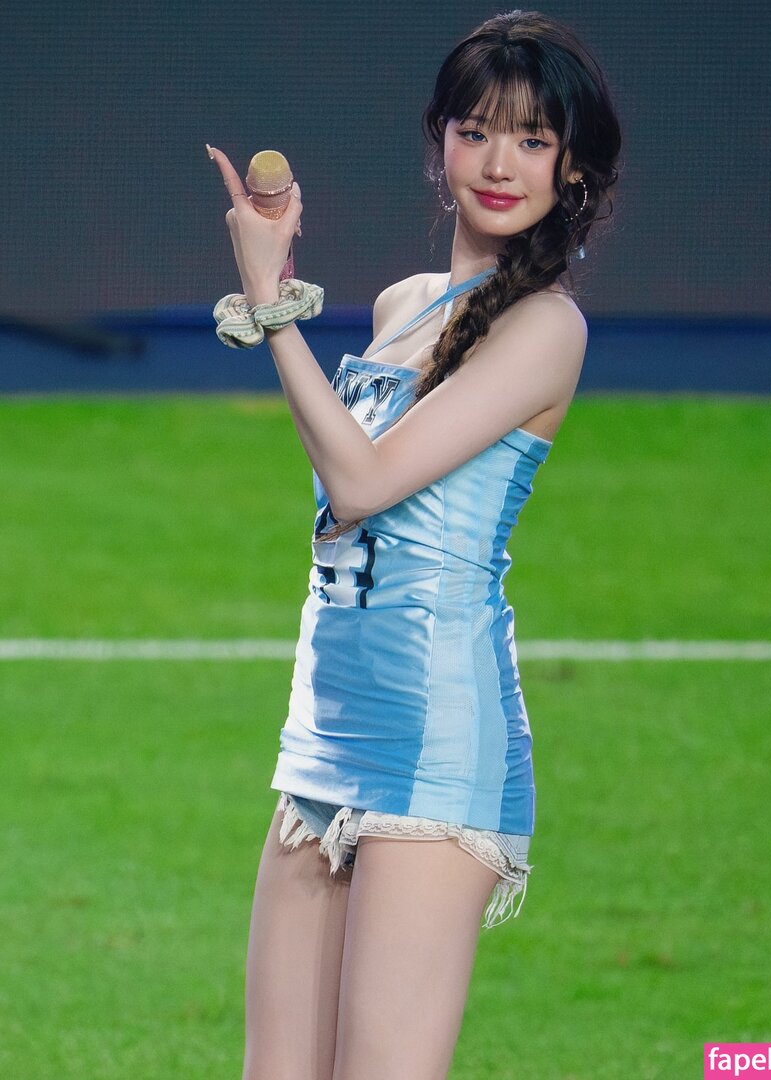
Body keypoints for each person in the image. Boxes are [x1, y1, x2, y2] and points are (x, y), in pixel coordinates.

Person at [208, 9, 621, 1079]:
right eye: (475, 131)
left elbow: (359, 485)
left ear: (571, 167)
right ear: (439, 141)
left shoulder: (547, 328)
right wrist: (276, 298)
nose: (499, 163)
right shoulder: (401, 304)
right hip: (325, 734)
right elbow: (344, 479)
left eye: (531, 139)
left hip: (437, 748)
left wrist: (269, 303)